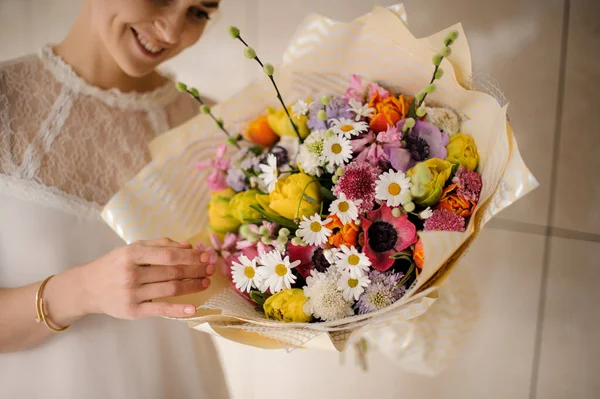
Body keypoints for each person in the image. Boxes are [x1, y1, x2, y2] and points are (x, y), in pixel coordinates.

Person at [0, 0, 229, 397]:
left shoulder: (213, 124)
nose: (171, 32)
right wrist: (82, 290)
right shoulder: (7, 102)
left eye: (198, 12)